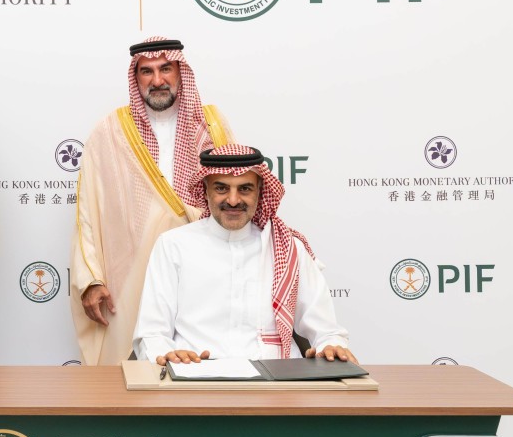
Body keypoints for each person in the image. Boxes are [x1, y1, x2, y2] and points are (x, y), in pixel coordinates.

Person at [70, 36, 234, 365]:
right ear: (136, 77)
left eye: (165, 69)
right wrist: (91, 279)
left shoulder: (211, 125)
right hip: (130, 272)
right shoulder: (109, 130)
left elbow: (235, 194)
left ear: (180, 72)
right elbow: (87, 210)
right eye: (146, 72)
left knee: (200, 359)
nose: (157, 80)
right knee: (127, 369)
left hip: (200, 265)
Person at [133, 144, 355, 366]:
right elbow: (153, 335)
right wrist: (167, 355)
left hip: (280, 382)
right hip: (197, 377)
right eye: (221, 188)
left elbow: (327, 332)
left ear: (260, 190)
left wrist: (332, 346)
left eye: (245, 189)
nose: (232, 200)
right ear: (205, 189)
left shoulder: (289, 247)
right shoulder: (173, 245)